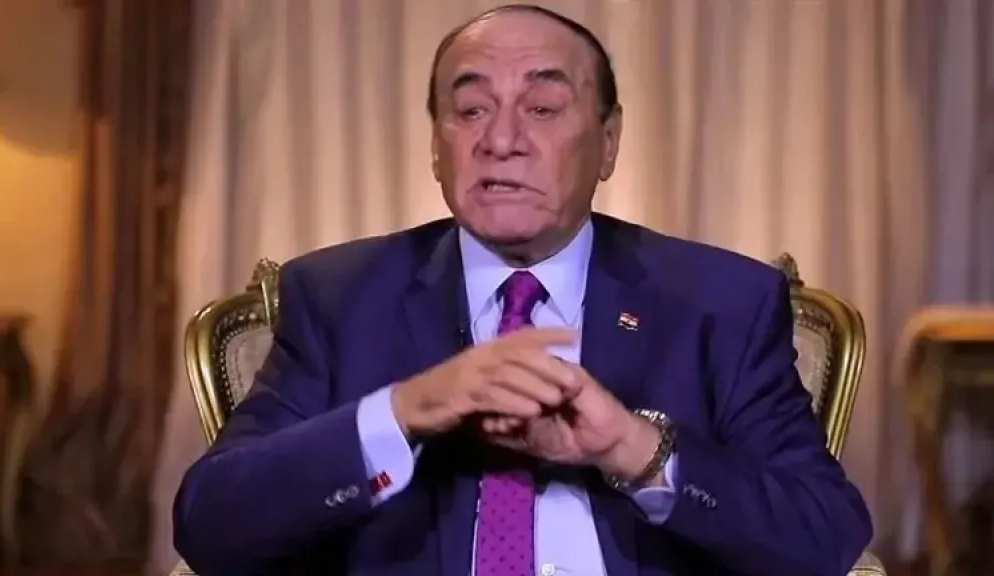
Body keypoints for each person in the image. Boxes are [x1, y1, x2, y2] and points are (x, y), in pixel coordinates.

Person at [172, 4, 873, 575]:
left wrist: (633, 449)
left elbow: (826, 540)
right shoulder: (339, 298)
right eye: (471, 110)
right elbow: (210, 526)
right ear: (436, 146)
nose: (501, 139)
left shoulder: (720, 304)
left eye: (542, 107)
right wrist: (405, 412)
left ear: (608, 142)